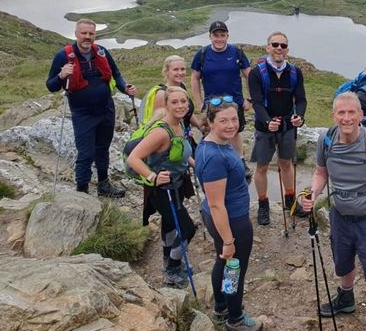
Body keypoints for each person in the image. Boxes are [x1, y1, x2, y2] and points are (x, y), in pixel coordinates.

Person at [300, 92, 366, 331]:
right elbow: (321, 173)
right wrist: (313, 193)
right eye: (341, 113)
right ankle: (346, 299)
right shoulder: (326, 140)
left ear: (360, 115)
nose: (346, 118)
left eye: (351, 112)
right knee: (343, 263)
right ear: (334, 115)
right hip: (340, 215)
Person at [194, 97, 263, 331]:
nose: (231, 125)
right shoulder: (215, 157)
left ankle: (222, 307)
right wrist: (229, 240)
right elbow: (216, 204)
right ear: (211, 122)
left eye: (234, 119)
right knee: (235, 268)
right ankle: (235, 319)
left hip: (224, 218)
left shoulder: (212, 145)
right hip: (231, 220)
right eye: (223, 120)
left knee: (223, 262)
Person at [46, 18, 136, 197]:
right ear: (76, 34)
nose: (87, 37)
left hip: (105, 109)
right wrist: (61, 75)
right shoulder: (63, 56)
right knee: (86, 153)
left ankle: (104, 185)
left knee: (103, 149)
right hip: (83, 113)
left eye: (91, 34)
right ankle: (82, 190)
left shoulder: (101, 52)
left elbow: (116, 74)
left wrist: (125, 88)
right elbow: (51, 85)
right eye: (84, 33)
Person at [126, 86, 196, 287]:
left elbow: (181, 150)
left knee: (170, 224)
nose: (180, 105)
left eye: (183, 101)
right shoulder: (160, 132)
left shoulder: (179, 124)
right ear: (165, 105)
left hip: (176, 184)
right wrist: (153, 176)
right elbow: (134, 158)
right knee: (188, 229)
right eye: (174, 102)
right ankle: (173, 268)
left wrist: (195, 164)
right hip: (161, 189)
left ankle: (168, 262)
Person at [248, 32, 308, 226]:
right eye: (275, 44)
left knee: (286, 163)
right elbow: (256, 102)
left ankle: (289, 199)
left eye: (283, 45)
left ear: (287, 50)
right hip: (265, 128)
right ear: (267, 48)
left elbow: (300, 99)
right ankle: (263, 204)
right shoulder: (257, 73)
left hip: (288, 126)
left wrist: (299, 116)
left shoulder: (294, 72)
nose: (279, 48)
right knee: (262, 166)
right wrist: (267, 122)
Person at [190, 21, 252, 158]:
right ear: (210, 36)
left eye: (222, 35)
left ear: (227, 36)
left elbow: (249, 75)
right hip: (211, 104)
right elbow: (195, 77)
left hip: (235, 102)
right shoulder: (202, 54)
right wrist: (199, 102)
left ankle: (239, 162)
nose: (219, 39)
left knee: (234, 132)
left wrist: (249, 99)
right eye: (216, 35)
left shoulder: (237, 53)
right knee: (211, 133)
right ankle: (214, 161)